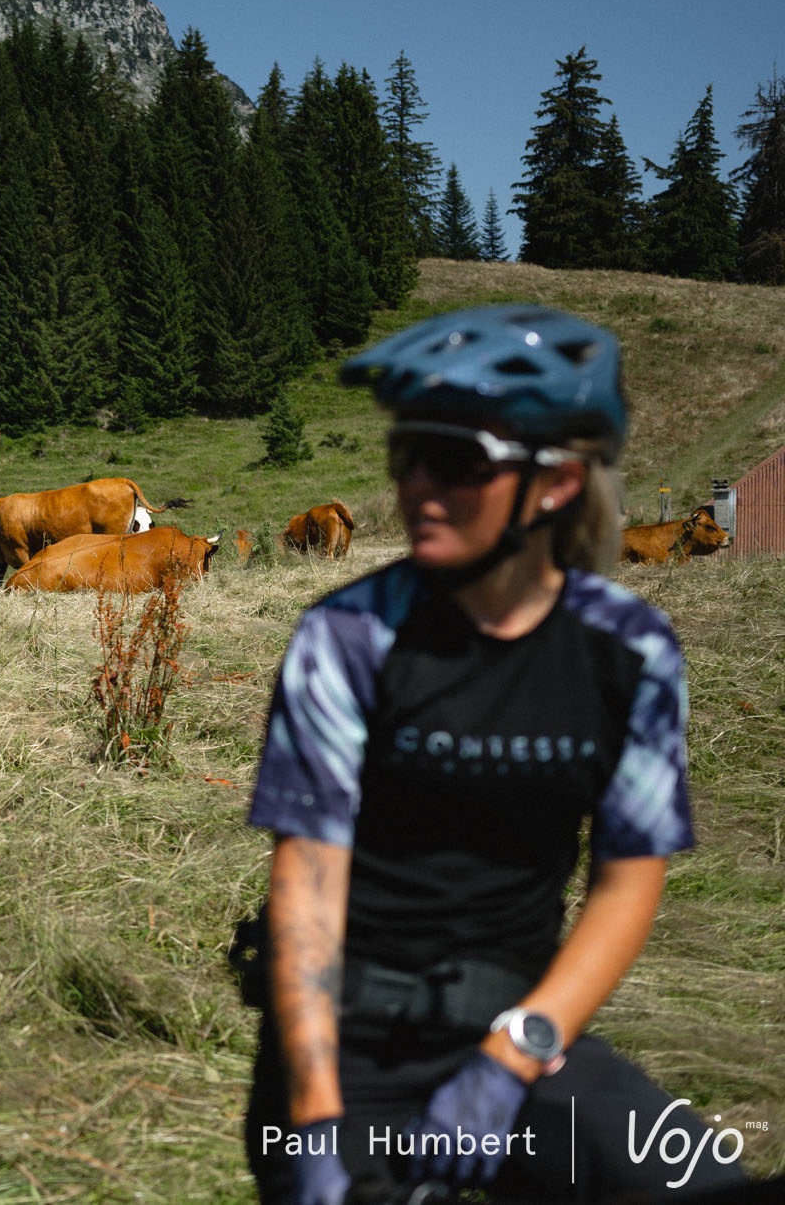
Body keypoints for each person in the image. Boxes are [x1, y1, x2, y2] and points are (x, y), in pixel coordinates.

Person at [239, 305, 746, 1203]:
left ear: (555, 485)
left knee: (710, 1182)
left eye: (460, 462)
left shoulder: (631, 652)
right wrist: (314, 1121)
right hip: (340, 1047)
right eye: (409, 455)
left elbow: (629, 879)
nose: (419, 487)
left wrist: (516, 1055)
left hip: (521, 1035)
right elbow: (308, 884)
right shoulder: (347, 636)